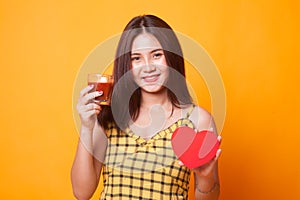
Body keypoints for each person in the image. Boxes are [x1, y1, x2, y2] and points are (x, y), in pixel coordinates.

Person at [71, 14, 221, 200]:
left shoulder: (198, 120)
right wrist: (86, 127)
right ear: (127, 65)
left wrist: (205, 178)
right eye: (137, 58)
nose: (148, 67)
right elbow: (82, 193)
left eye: (157, 55)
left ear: (172, 57)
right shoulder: (110, 116)